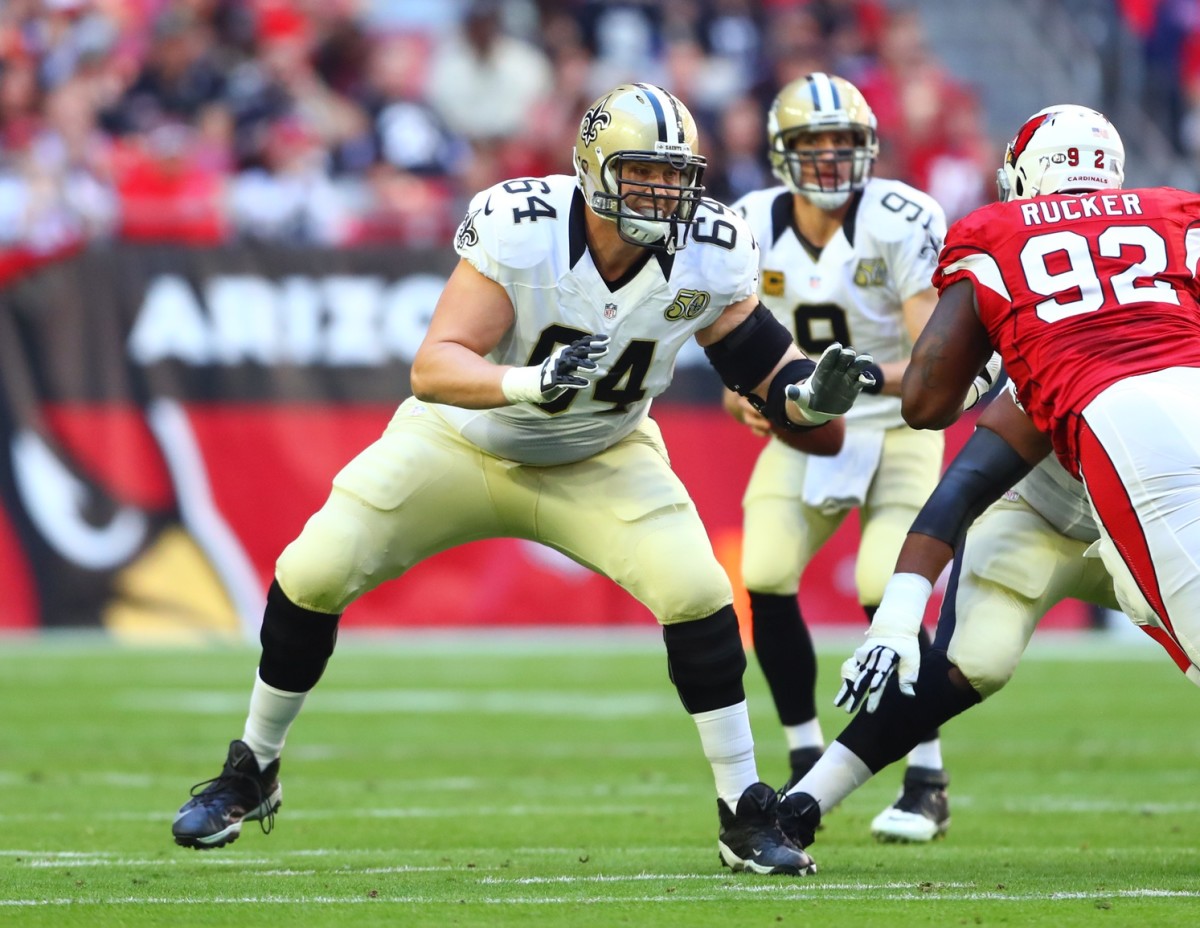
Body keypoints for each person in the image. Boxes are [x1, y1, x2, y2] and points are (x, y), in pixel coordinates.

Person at [169, 83, 879, 877]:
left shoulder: (711, 247)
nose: (664, 193)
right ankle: (252, 769)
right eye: (643, 174)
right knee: (312, 569)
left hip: (602, 453)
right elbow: (434, 366)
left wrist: (808, 394)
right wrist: (526, 383)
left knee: (698, 593)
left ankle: (744, 812)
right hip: (465, 440)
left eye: (677, 176)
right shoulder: (522, 224)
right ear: (592, 170)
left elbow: (768, 373)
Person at [777, 103, 1200, 854]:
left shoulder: (1025, 283)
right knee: (972, 661)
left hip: (1128, 490)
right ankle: (803, 804)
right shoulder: (1157, 245)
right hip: (1047, 510)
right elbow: (972, 477)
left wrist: (899, 611)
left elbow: (943, 431)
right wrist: (901, 619)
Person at [725, 71, 973, 842]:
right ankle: (804, 752)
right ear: (781, 152)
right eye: (814, 144)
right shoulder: (747, 222)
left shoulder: (901, 218)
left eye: (843, 144)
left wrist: (864, 374)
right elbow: (733, 347)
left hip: (899, 421)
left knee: (880, 586)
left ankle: (925, 772)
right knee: (763, 572)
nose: (830, 159)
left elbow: (936, 356)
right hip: (805, 423)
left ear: (868, 149)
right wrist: (751, 394)